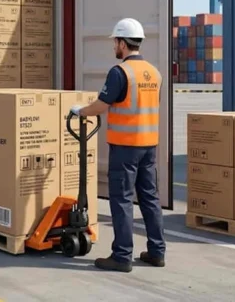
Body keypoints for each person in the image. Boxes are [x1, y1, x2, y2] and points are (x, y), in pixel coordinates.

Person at [70, 18, 166, 273]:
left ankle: (122, 256)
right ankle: (157, 252)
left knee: (122, 199)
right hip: (149, 146)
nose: (114, 46)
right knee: (150, 198)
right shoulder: (155, 73)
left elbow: (101, 106)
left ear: (122, 43)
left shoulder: (120, 72)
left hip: (125, 147)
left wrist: (80, 111)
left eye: (115, 42)